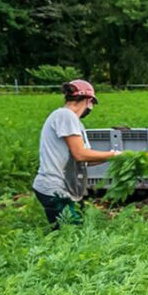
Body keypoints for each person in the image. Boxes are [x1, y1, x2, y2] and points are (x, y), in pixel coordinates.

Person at [32, 80, 120, 228]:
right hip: (55, 189)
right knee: (71, 235)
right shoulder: (65, 116)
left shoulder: (74, 122)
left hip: (67, 189)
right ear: (88, 100)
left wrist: (113, 156)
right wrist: (113, 155)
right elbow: (80, 154)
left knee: (78, 232)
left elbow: (85, 159)